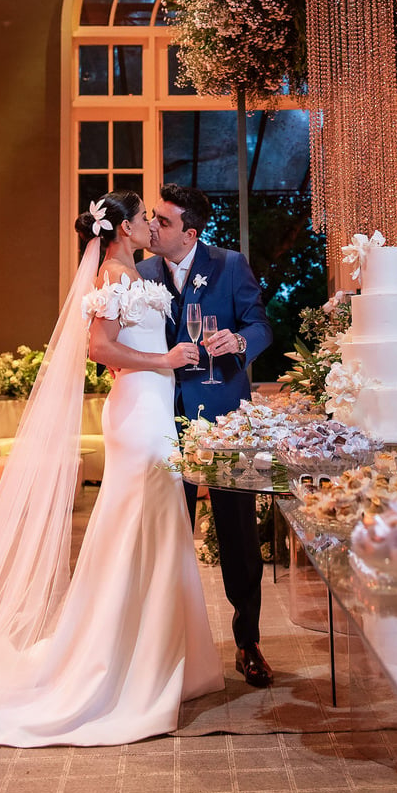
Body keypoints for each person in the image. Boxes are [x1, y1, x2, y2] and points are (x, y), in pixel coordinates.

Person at [0, 191, 224, 744]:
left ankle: (161, 654)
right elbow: (100, 347)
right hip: (138, 415)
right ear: (120, 231)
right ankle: (119, 662)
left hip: (155, 410)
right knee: (137, 528)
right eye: (141, 220)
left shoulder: (135, 275)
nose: (149, 227)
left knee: (158, 531)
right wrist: (163, 359)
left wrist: (175, 355)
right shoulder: (114, 279)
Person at [137, 184, 275, 688]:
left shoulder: (229, 264)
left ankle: (248, 643)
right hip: (164, 420)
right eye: (152, 218)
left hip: (225, 419)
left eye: (164, 222)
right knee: (171, 534)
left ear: (190, 233)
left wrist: (239, 340)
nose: (153, 227)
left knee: (238, 535)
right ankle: (171, 647)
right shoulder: (144, 272)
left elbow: (261, 325)